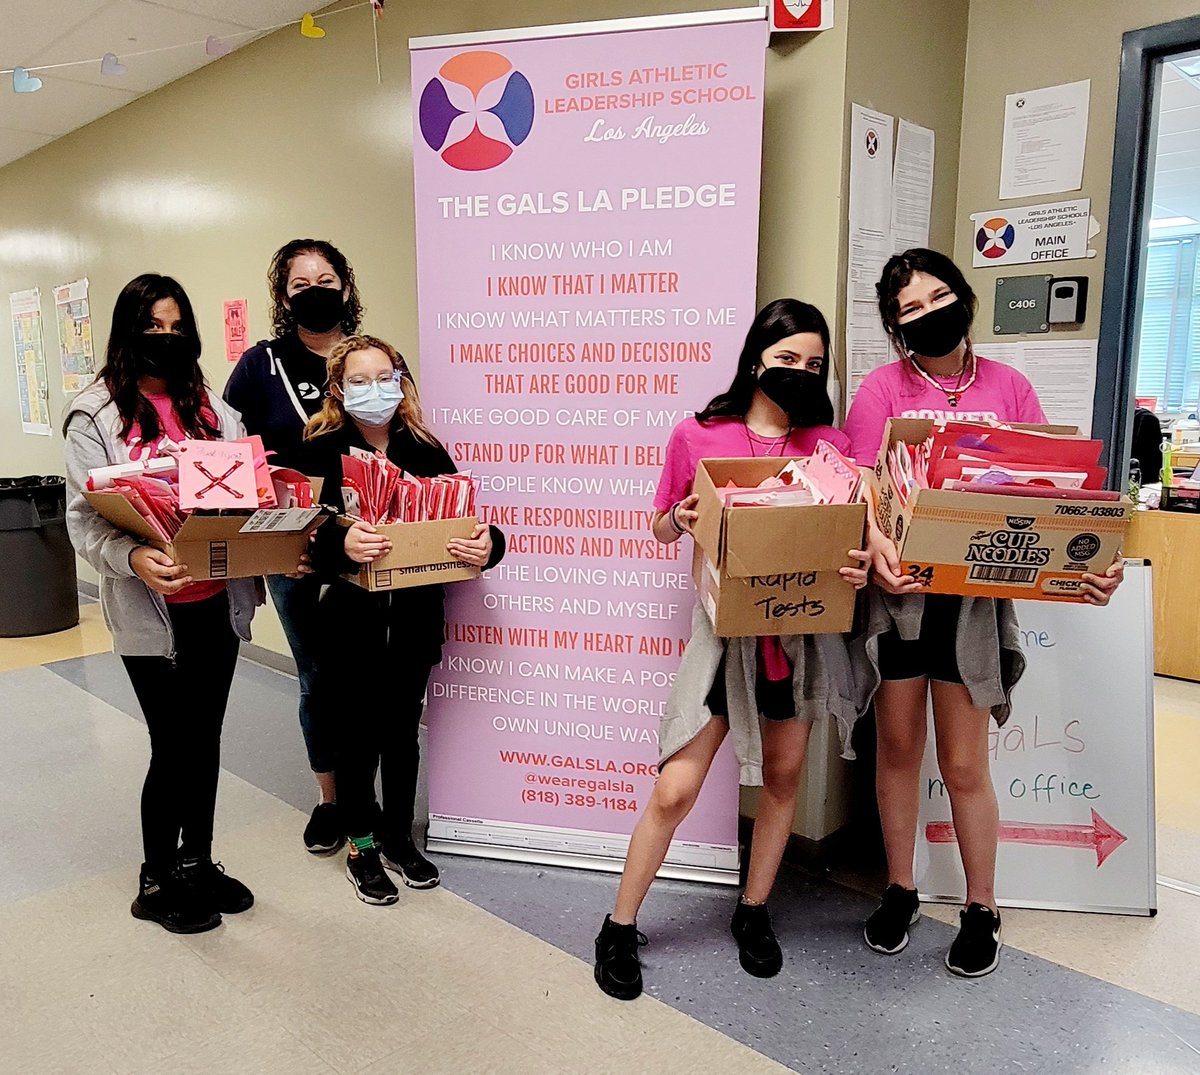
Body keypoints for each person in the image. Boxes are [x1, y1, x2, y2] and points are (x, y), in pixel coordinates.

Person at [844, 248, 1123, 978]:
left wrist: (1092, 568)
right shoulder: (880, 389)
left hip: (970, 608)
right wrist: (877, 549)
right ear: (896, 327)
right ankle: (899, 888)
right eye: (910, 308)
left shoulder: (1009, 386)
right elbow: (858, 490)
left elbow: (1052, 495)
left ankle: (981, 906)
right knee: (898, 750)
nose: (928, 312)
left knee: (966, 761)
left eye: (939, 296)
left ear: (964, 299)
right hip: (901, 602)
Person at [593, 300, 871, 1001]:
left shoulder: (830, 447)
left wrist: (858, 565)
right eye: (787, 360)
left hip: (801, 636)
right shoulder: (698, 433)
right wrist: (679, 518)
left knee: (781, 779)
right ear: (756, 359)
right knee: (675, 787)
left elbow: (855, 541)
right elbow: (661, 524)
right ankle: (618, 925)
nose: (801, 373)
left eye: (814, 364)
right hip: (723, 639)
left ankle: (753, 909)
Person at [63, 274, 296, 933]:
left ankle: (197, 861)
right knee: (173, 742)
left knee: (206, 737)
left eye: (176, 328)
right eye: (151, 328)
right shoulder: (96, 415)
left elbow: (245, 493)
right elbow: (85, 522)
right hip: (151, 611)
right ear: (125, 333)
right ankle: (155, 877)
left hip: (215, 604)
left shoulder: (213, 410)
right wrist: (133, 556)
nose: (166, 340)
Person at [300, 335, 506, 905]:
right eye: (360, 382)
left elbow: (467, 528)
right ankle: (362, 846)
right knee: (356, 737)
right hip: (349, 625)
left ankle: (397, 835)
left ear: (401, 383)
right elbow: (295, 547)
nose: (375, 391)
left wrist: (488, 545)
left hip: (415, 622)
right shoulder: (319, 453)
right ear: (338, 391)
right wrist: (342, 544)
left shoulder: (426, 450)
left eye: (385, 378)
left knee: (401, 733)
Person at [224, 239, 364, 855]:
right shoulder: (261, 366)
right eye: (301, 284)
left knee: (369, 674)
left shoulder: (373, 362)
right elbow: (229, 456)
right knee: (317, 674)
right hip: (295, 546)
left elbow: (405, 439)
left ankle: (369, 798)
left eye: (326, 279)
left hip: (368, 541)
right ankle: (331, 801)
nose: (316, 291)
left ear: (347, 288)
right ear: (284, 297)